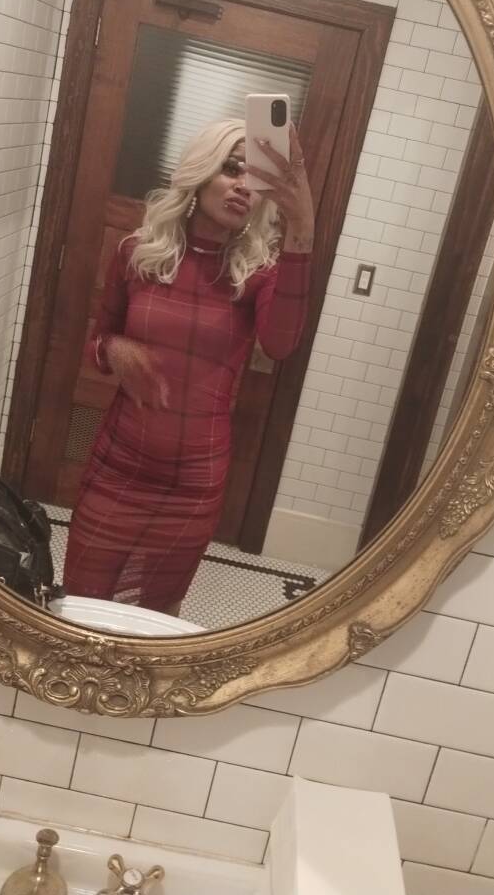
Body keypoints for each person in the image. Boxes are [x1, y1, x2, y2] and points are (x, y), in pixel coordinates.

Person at [62, 119, 314, 615]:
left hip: (193, 485)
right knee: (81, 606)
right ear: (200, 173)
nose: (243, 186)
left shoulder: (259, 275)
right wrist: (116, 351)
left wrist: (302, 225)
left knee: (156, 618)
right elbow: (95, 343)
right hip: (117, 468)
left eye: (255, 179)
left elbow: (280, 345)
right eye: (231, 168)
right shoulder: (138, 253)